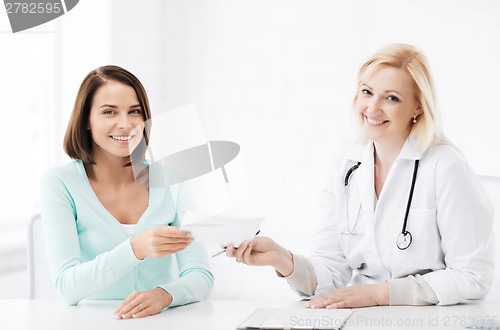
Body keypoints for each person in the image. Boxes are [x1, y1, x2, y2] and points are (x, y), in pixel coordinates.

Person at [226, 43, 494, 308]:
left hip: (428, 321)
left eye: (392, 98)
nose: (372, 108)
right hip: (362, 317)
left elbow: (472, 277)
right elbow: (331, 273)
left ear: (418, 108)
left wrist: (382, 294)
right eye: (367, 92)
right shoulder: (345, 164)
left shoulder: (445, 166)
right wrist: (282, 259)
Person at [40, 65, 213, 319]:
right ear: (86, 120)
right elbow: (67, 286)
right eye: (109, 112)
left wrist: (164, 295)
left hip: (161, 322)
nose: (125, 124)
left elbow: (200, 276)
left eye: (134, 111)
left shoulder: (173, 180)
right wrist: (135, 248)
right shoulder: (60, 183)